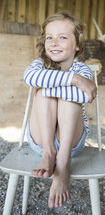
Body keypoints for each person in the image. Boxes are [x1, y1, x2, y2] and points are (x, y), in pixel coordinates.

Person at [24, 12, 97, 209]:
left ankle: (63, 163)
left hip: (71, 142)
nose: (54, 42)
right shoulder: (39, 65)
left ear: (77, 45)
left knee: (66, 97)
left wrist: (68, 80)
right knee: (43, 94)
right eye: (49, 37)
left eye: (63, 37)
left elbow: (84, 96)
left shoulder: (83, 70)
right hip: (41, 140)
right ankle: (49, 153)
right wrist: (73, 80)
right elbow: (30, 78)